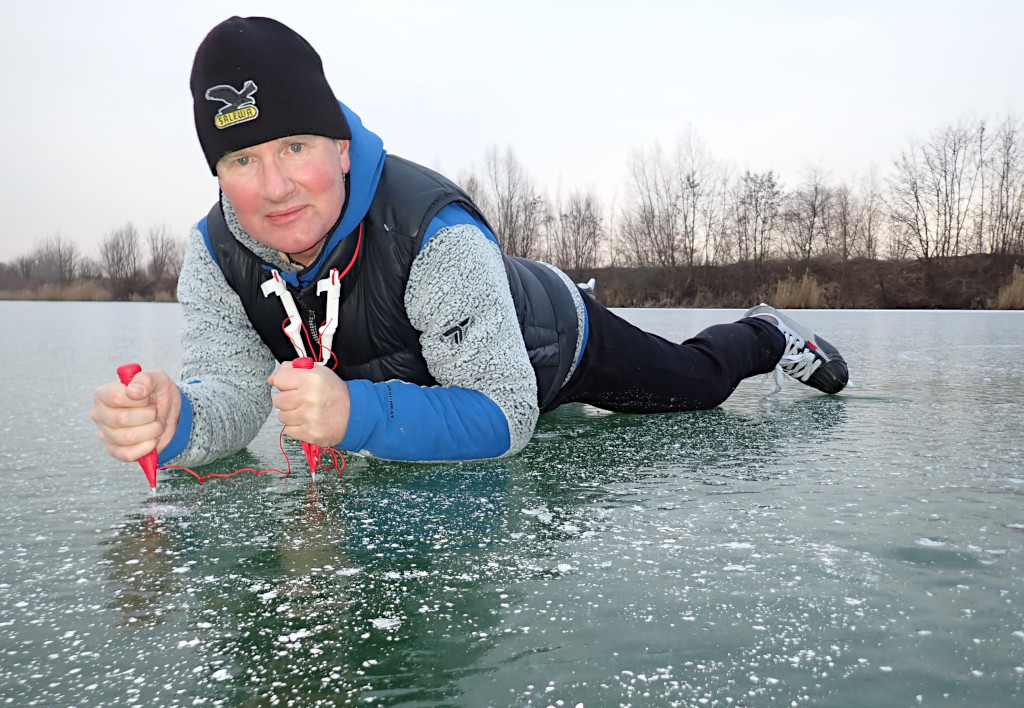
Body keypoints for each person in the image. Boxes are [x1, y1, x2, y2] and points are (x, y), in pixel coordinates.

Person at [91, 16, 849, 468]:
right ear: (219, 174)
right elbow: (229, 395)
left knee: (695, 386)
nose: (276, 187)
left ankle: (761, 332)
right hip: (444, 350)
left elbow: (506, 414)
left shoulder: (430, 231)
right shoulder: (217, 256)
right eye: (242, 160)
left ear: (343, 146)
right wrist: (179, 419)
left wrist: (354, 415)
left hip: (551, 341)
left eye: (295, 147)